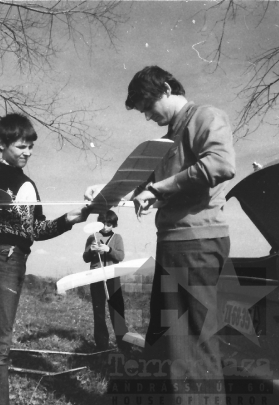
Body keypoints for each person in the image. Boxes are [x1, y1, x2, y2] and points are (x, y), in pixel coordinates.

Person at [86, 66, 235, 405]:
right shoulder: (167, 138)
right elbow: (144, 182)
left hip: (196, 241)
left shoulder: (206, 116)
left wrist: (159, 188)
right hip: (173, 243)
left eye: (148, 107)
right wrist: (107, 193)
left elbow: (222, 164)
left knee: (191, 345)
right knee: (165, 339)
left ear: (167, 89)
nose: (148, 116)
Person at [0, 113, 90, 405]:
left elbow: (36, 229)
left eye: (31, 147)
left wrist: (71, 219)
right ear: (2, 143)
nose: (27, 152)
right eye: (20, 146)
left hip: (17, 259)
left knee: (2, 339)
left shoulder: (29, 184)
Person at [82, 210, 129, 353]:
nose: (106, 227)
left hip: (112, 277)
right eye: (103, 223)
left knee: (117, 311)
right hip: (96, 277)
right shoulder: (92, 237)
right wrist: (92, 250)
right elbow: (85, 257)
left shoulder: (117, 237)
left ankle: (124, 345)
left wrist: (108, 249)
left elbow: (120, 256)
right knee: (99, 311)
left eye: (109, 224)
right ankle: (101, 345)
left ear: (114, 224)